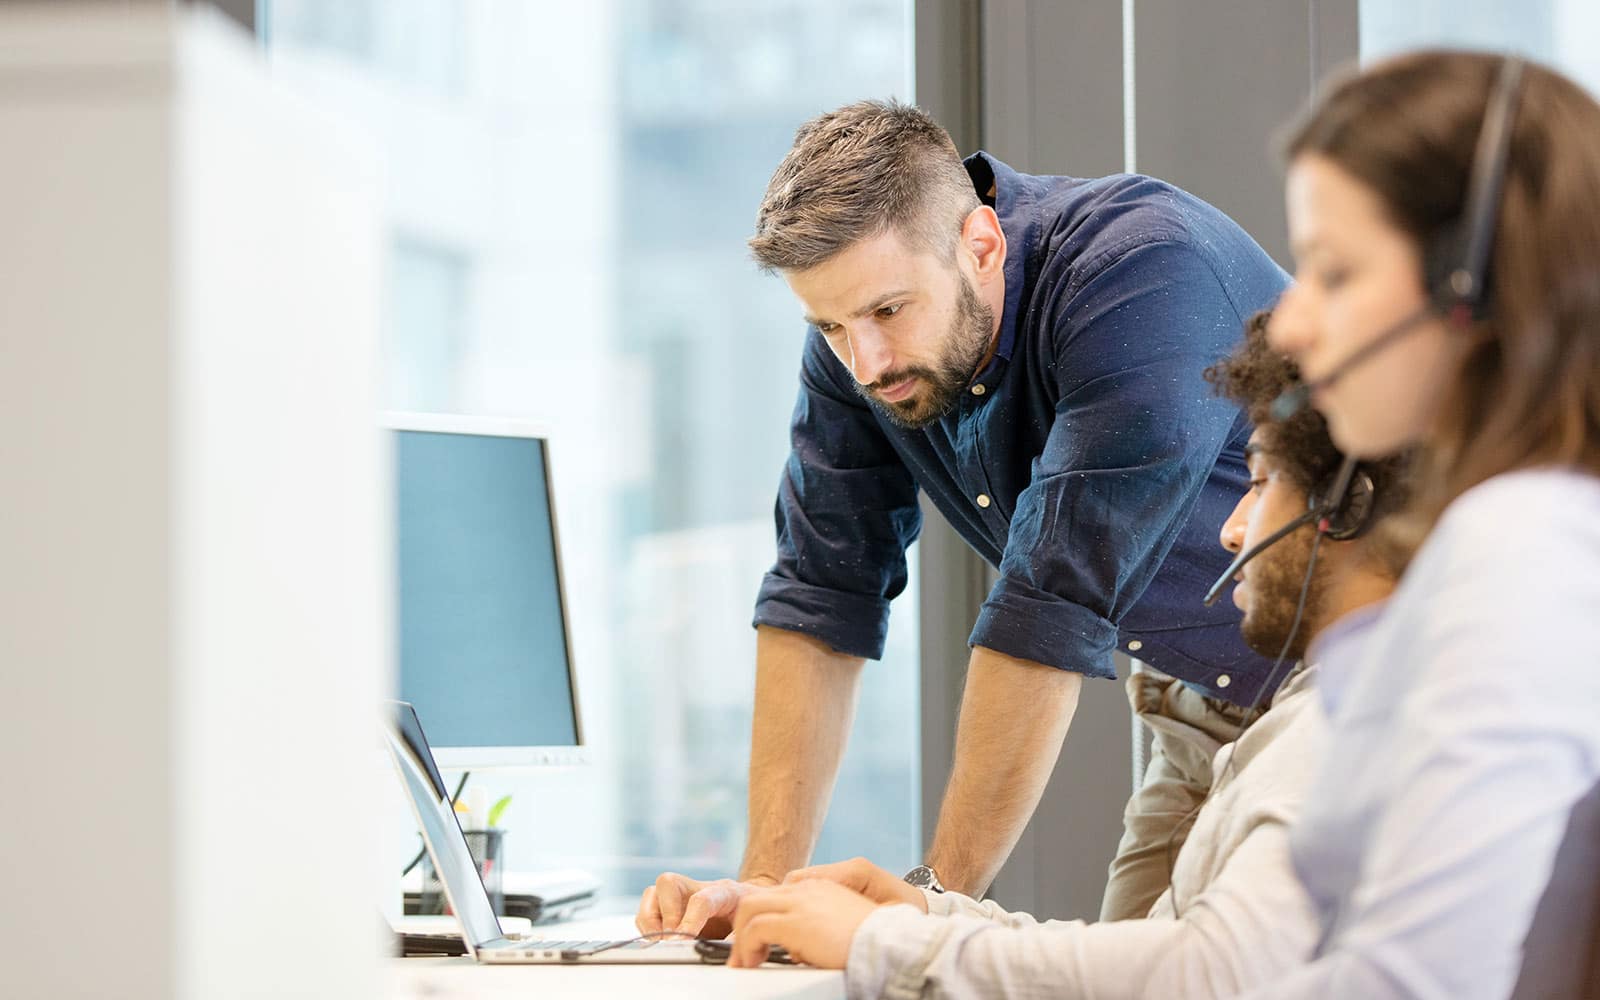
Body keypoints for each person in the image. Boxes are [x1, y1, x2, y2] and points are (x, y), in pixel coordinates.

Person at [638, 99, 1289, 939]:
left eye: (886, 311)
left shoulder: (1141, 270)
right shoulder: (858, 351)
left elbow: (1051, 601)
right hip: (1194, 711)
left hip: (1352, 696)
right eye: (830, 325)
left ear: (981, 245)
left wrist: (926, 905)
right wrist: (763, 894)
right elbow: (821, 589)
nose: (863, 361)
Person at [718, 313, 1410, 1000]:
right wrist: (918, 912)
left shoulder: (1342, 728)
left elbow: (1206, 973)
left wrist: (884, 946)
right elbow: (1148, 954)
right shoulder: (1323, 707)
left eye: (1258, 486)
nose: (1232, 530)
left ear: (1344, 506)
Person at [1233, 50, 1600, 998]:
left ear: (1470, 283)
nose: (1289, 327)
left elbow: (1409, 982)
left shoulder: (1524, 548)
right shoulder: (1529, 532)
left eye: (1335, 271)